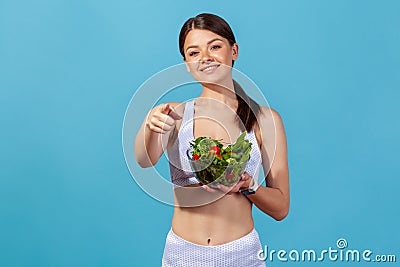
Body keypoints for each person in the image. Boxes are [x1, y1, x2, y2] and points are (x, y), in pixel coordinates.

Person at [134, 13, 289, 267]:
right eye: (193, 53)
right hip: (181, 255)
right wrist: (150, 125)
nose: (205, 58)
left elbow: (281, 208)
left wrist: (248, 186)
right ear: (186, 63)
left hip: (243, 256)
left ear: (234, 50)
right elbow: (143, 160)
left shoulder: (265, 120)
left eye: (215, 46)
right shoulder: (174, 115)